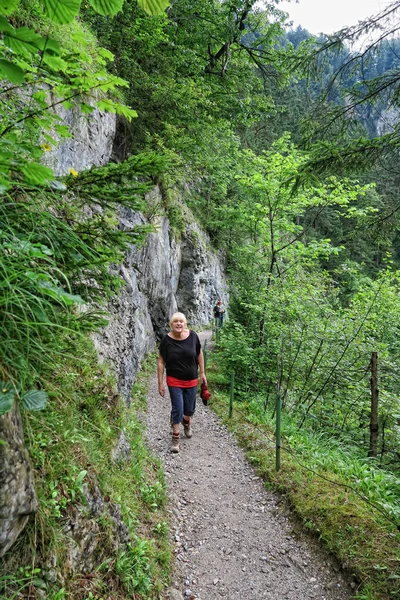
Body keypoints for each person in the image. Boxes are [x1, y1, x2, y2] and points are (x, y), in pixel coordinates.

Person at [157, 312, 207, 453]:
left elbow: (199, 354)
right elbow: (161, 362)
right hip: (174, 380)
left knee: (189, 410)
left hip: (191, 380)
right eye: (175, 322)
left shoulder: (193, 337)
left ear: (185, 324)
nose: (178, 324)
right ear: (171, 325)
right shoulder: (166, 341)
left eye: (181, 321)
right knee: (177, 408)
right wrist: (160, 383)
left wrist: (202, 372)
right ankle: (176, 437)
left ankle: (187, 422)